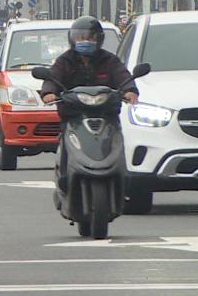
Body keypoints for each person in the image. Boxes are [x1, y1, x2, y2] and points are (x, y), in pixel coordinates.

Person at [41, 16, 138, 188]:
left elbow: (122, 75)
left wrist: (130, 90)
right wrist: (49, 92)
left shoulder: (109, 60)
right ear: (72, 39)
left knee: (118, 137)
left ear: (99, 39)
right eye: (80, 37)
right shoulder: (65, 60)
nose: (85, 41)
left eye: (90, 38)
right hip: (74, 115)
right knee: (64, 137)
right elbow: (53, 77)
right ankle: (63, 175)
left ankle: (122, 174)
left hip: (105, 114)